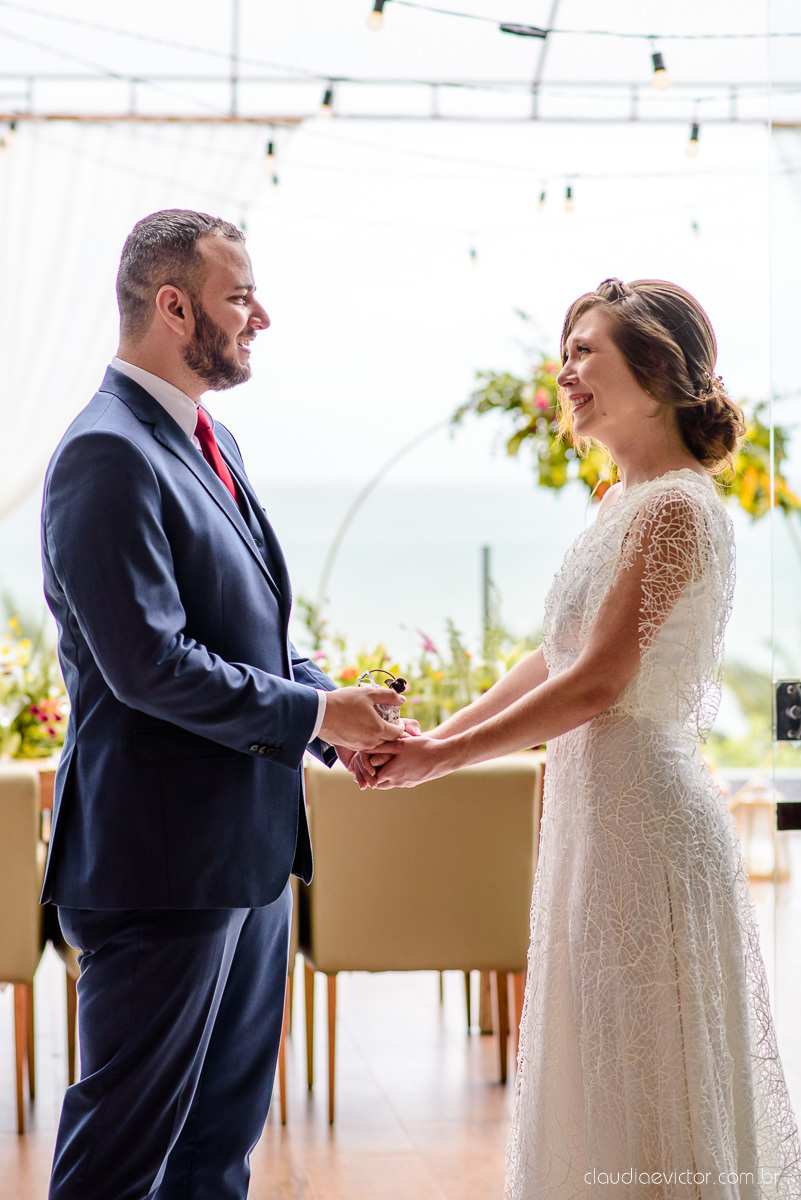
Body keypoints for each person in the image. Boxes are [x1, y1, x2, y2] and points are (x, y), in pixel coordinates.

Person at [363, 279, 801, 1197]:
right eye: (564, 352)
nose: (564, 372)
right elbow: (553, 657)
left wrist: (439, 759)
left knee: (645, 1070)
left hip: (644, 822)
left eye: (584, 351)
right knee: (598, 1057)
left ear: (655, 366)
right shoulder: (619, 502)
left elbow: (599, 684)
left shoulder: (677, 507)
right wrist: (433, 738)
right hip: (592, 819)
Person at [41, 208, 407, 1200]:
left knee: (214, 1158)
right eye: (240, 296)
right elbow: (149, 665)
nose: (261, 317)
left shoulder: (213, 438)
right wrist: (316, 720)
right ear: (171, 306)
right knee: (120, 1160)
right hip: (160, 872)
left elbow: (245, 641)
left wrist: (338, 712)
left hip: (248, 861)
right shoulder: (104, 453)